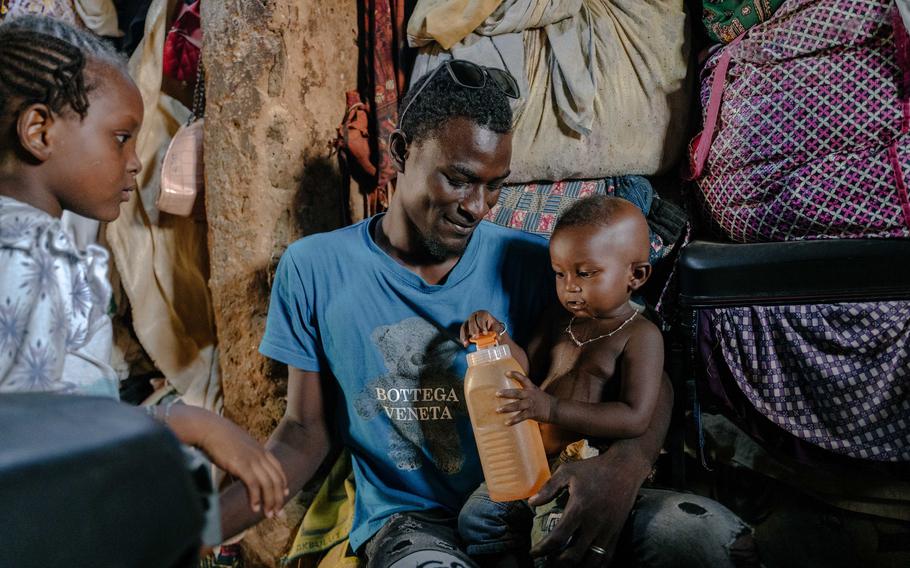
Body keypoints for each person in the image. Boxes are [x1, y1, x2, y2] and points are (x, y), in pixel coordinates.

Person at [222, 59, 758, 567]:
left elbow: (640, 364)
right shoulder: (315, 268)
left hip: (539, 494)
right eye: (458, 179)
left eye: (494, 186)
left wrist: (623, 471)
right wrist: (206, 523)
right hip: (412, 520)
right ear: (403, 151)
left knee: (705, 539)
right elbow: (303, 430)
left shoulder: (531, 262)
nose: (477, 207)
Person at [0, 15, 288, 525]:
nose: (135, 161)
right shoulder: (39, 255)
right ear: (39, 132)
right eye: (121, 137)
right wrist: (186, 425)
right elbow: (33, 440)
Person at [458, 196, 664, 565]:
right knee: (478, 518)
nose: (569, 287)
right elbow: (525, 370)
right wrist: (498, 338)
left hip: (578, 470)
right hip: (527, 458)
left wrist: (550, 408)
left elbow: (635, 416)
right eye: (559, 273)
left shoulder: (640, 336)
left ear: (636, 275)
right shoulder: (557, 319)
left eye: (585, 274)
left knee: (554, 537)